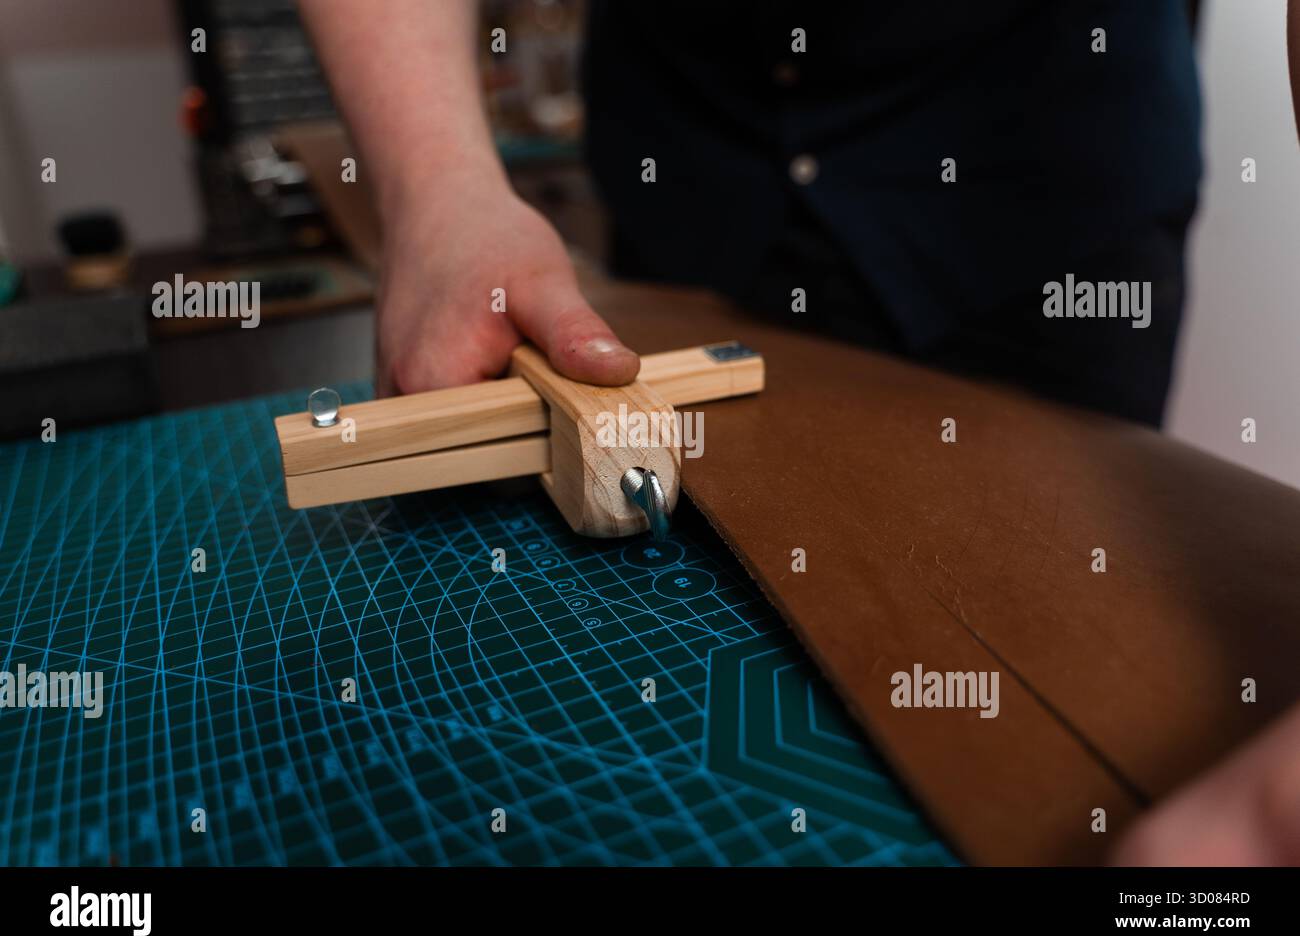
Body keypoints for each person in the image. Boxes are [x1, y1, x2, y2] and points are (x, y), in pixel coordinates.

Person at [299, 0, 1300, 864]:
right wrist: (434, 186)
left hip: (1037, 204)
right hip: (698, 177)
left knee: (1057, 666)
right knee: (667, 722)